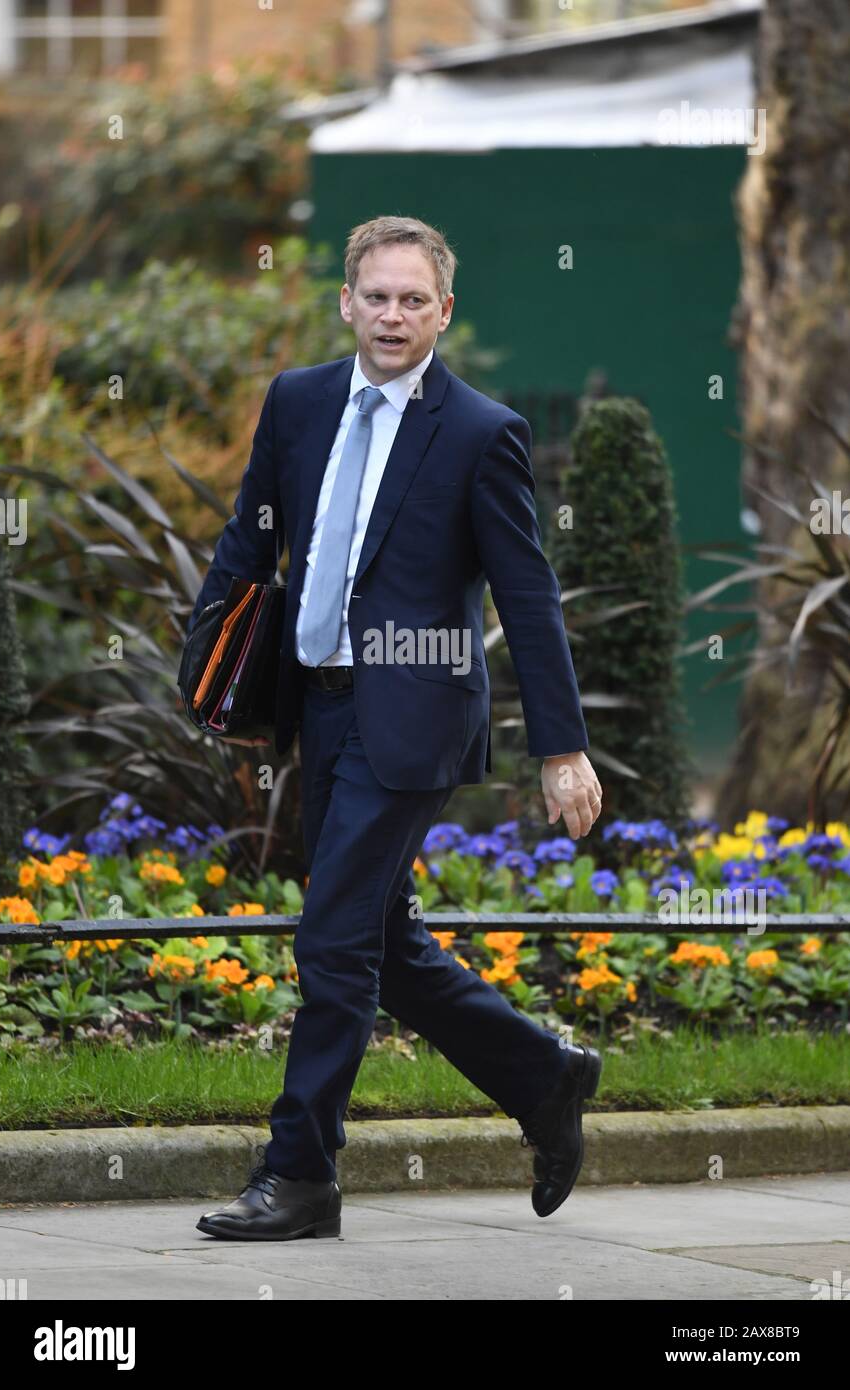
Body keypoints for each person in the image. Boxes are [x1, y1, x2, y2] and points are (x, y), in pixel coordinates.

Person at [192, 215, 603, 1242]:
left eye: (413, 298)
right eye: (376, 295)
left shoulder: (477, 431)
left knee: (330, 937)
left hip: (412, 719)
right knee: (383, 940)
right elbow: (251, 540)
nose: (392, 313)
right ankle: (545, 1076)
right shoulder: (296, 403)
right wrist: (212, 674)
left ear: (442, 312)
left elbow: (529, 590)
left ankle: (299, 1174)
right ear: (345, 301)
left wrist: (562, 748)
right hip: (318, 708)